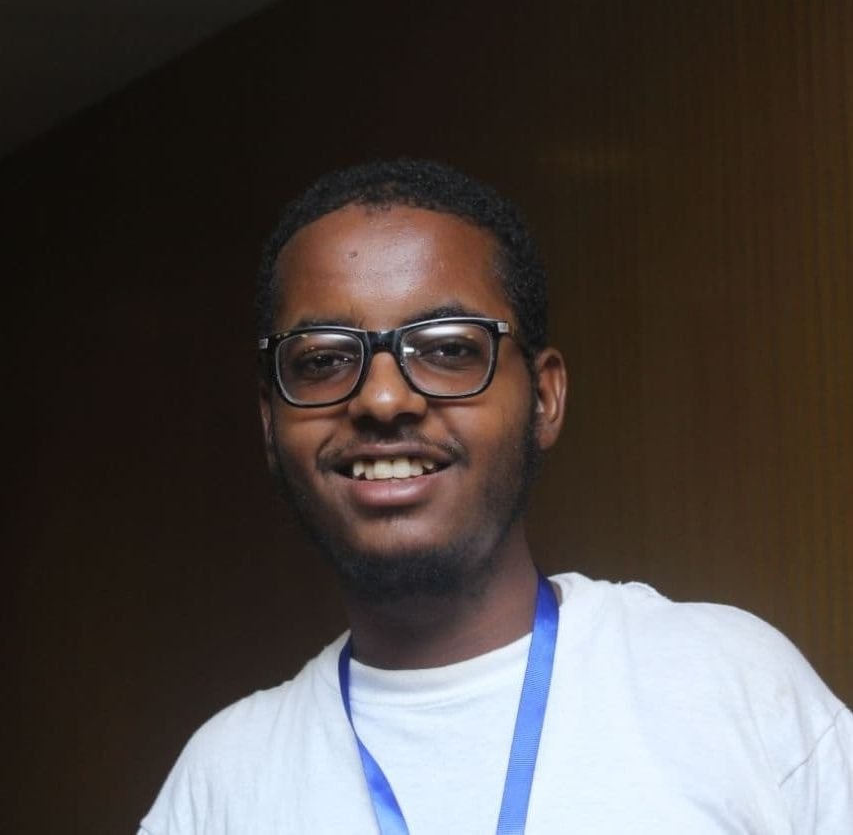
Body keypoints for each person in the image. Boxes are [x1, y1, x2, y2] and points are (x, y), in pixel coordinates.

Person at [139, 159, 852, 834]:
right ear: (271, 425)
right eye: (324, 359)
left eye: (448, 349)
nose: (382, 398)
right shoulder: (225, 781)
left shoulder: (729, 686)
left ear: (543, 397)